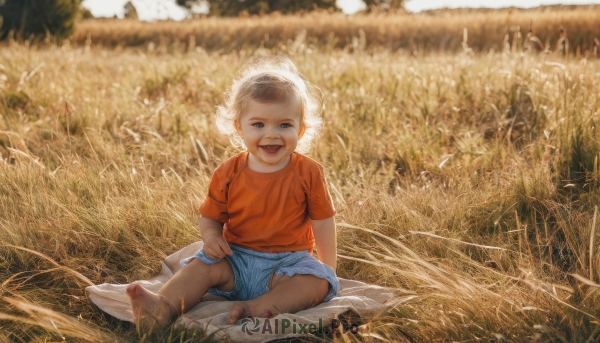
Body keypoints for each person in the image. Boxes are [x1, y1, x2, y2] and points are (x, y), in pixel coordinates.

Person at [125, 57, 339, 329]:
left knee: (317, 282)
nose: (271, 134)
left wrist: (328, 269)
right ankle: (162, 306)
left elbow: (322, 221)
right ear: (240, 127)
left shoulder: (308, 172)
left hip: (287, 265)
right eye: (258, 124)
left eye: (284, 125)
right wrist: (212, 236)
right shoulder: (228, 172)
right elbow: (211, 217)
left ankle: (257, 307)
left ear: (301, 128)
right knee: (202, 266)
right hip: (235, 260)